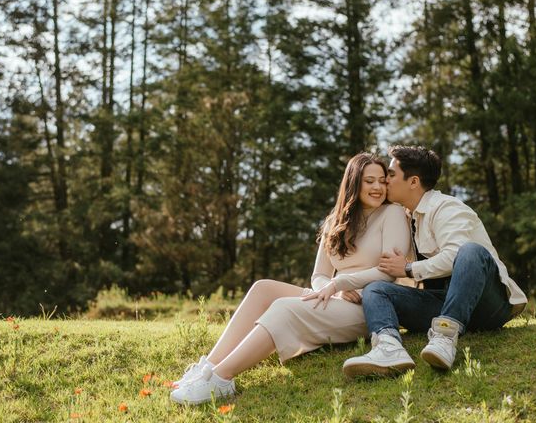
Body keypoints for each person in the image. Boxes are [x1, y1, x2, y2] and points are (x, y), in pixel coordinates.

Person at [170, 153, 411, 404]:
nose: (378, 187)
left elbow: (389, 272)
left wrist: (340, 284)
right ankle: (207, 366)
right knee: (263, 288)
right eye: (369, 181)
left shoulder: (392, 214)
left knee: (284, 307)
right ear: (353, 183)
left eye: (382, 181)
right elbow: (319, 275)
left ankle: (221, 379)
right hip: (334, 296)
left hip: (365, 306)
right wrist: (330, 289)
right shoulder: (336, 221)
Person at [342, 145, 528, 377]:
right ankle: (388, 348)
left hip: (488, 306)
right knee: (376, 290)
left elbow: (454, 256)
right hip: (444, 303)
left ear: (413, 181)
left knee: (470, 251)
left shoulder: (447, 208)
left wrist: (409, 269)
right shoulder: (407, 217)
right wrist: (343, 286)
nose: (385, 182)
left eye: (390, 175)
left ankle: (445, 337)